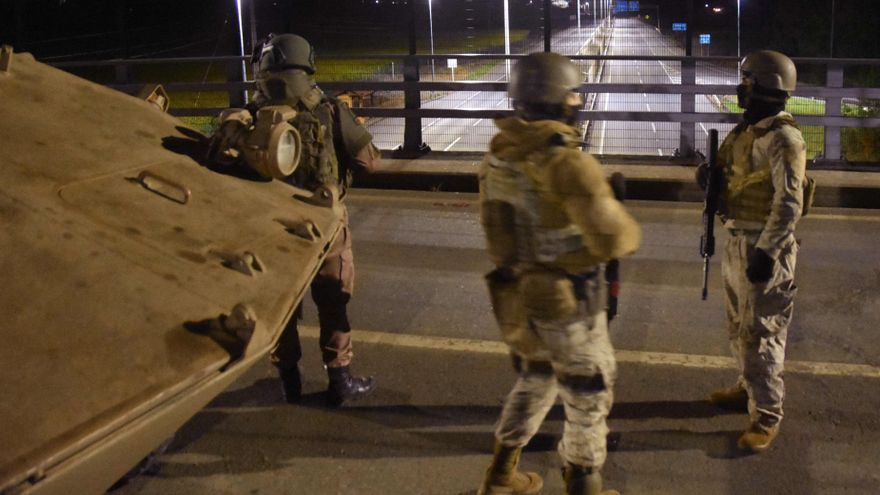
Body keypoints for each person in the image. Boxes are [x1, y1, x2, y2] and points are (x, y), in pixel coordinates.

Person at [477, 52, 641, 495]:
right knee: (589, 396)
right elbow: (616, 241)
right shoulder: (567, 163)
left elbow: (498, 240)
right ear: (563, 101)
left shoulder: (497, 158)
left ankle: (499, 477)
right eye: (574, 95)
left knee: (535, 380)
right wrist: (613, 201)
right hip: (570, 303)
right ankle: (584, 484)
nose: (578, 102)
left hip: (519, 299)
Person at [250, 33, 381, 407]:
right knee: (332, 301)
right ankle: (340, 381)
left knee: (282, 306)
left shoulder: (250, 113)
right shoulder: (326, 108)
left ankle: (289, 382)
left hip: (270, 226)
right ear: (306, 63)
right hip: (324, 226)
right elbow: (369, 161)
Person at [699, 50, 808, 452]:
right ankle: (748, 387)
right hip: (737, 239)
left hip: (765, 246)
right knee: (738, 326)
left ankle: (766, 414)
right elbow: (730, 176)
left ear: (767, 86)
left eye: (747, 80)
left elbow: (789, 203)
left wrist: (766, 251)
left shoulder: (784, 138)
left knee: (762, 333)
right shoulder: (745, 131)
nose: (741, 87)